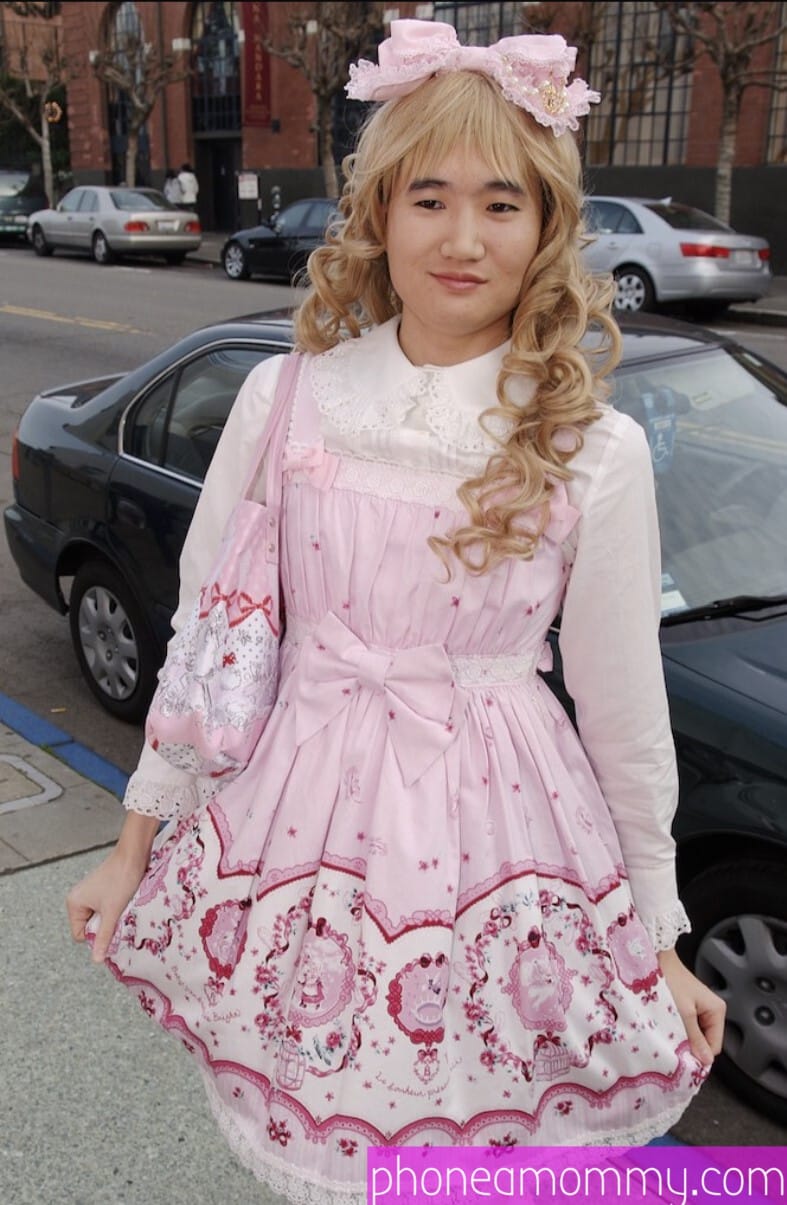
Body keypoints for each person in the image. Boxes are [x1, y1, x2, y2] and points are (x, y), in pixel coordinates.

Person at [66, 20, 725, 1204]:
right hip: (297, 826)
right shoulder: (290, 396)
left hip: (502, 837)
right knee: (329, 1134)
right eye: (428, 197)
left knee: (467, 1152)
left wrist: (660, 939)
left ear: (547, 229)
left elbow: (627, 718)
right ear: (376, 212)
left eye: (502, 204)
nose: (462, 238)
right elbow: (212, 642)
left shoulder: (590, 446)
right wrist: (134, 846)